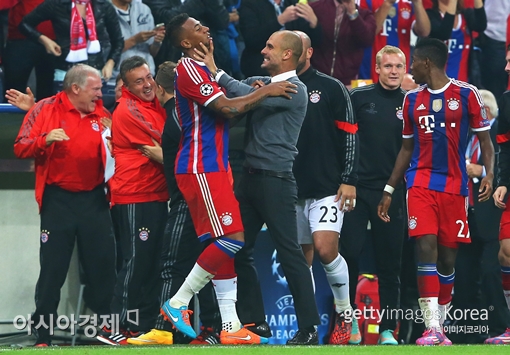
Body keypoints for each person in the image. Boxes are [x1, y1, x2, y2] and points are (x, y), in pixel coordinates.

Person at [160, 13, 298, 345]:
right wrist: (267, 92)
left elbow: (231, 99)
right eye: (197, 28)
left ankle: (230, 326)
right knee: (234, 237)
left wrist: (246, 89)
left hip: (213, 165)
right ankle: (177, 303)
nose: (205, 28)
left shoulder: (203, 68)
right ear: (185, 43)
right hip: (201, 165)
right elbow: (227, 109)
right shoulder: (188, 69)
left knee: (221, 244)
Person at [194, 28, 322, 345]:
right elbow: (242, 90)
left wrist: (225, 76)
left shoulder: (295, 89)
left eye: (269, 47)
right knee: (238, 249)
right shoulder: (266, 85)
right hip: (249, 179)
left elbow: (240, 99)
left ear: (287, 55)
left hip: (276, 181)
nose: (263, 51)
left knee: (290, 254)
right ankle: (255, 322)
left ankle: (308, 327)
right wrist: (223, 74)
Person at [378, 37, 495, 346]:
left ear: (426, 63)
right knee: (425, 246)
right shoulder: (411, 100)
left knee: (447, 260)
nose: (409, 67)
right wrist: (390, 188)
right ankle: (431, 327)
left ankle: (439, 323)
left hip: (455, 188)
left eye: (413, 61)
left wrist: (489, 174)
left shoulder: (467, 94)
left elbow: (486, 142)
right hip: (419, 184)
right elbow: (406, 149)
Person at [13, 64, 117, 347]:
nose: (100, 93)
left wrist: (115, 140)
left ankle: (108, 332)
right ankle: (42, 336)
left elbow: (116, 154)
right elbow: (20, 146)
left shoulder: (102, 115)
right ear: (76, 88)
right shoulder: (45, 109)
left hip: (95, 200)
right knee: (53, 270)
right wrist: (45, 140)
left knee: (103, 267)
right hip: (57, 200)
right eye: (95, 88)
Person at [127, 61, 223, 346]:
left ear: (158, 87)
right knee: (202, 265)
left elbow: (186, 156)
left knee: (171, 265)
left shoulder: (178, 116)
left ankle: (161, 330)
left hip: (187, 198)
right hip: (201, 195)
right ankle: (214, 329)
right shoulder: (193, 114)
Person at [95, 56, 169, 346]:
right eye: (139, 81)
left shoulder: (152, 105)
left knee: (151, 264)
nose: (148, 84)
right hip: (135, 195)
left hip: (154, 193)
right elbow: (167, 142)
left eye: (149, 76)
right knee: (136, 262)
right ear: (125, 85)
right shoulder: (128, 110)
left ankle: (142, 326)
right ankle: (112, 326)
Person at [291, 30, 358, 345]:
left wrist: (348, 179)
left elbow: (350, 135)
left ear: (308, 52)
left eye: (297, 48)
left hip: (327, 186)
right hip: (289, 189)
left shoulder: (332, 88)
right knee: (300, 261)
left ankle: (346, 317)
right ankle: (307, 329)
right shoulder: (278, 87)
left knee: (326, 249)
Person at [341, 45, 407, 345]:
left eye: (399, 66)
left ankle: (386, 329)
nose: (394, 71)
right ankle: (349, 323)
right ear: (377, 69)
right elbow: (343, 141)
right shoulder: (358, 98)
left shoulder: (411, 103)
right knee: (349, 255)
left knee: (389, 262)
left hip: (393, 192)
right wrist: (346, 180)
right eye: (388, 66)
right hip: (358, 189)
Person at [452, 89, 510, 344]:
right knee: (463, 274)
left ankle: (501, 326)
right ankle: (469, 332)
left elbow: (504, 166)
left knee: (490, 270)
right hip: (464, 213)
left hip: (492, 213)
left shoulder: (498, 137)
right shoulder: (465, 135)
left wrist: (482, 169)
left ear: (486, 112)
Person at [19, 0, 123, 81]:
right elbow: (24, 24)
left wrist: (110, 64)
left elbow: (118, 40)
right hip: (65, 71)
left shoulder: (104, 5)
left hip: (96, 70)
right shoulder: (57, 4)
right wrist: (45, 40)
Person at [488, 45, 510, 344]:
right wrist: (502, 180)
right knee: (505, 250)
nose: (506, 68)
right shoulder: (506, 100)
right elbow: (503, 148)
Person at [238, 0, 321, 77]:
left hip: (295, 70)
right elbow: (251, 39)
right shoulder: (250, 3)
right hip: (260, 69)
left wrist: (314, 23)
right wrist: (280, 20)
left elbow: (313, 41)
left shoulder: (293, 2)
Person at [358, 0, 430, 83]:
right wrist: (387, 3)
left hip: (398, 74)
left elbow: (424, 32)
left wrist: (417, 3)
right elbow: (367, 34)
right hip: (367, 73)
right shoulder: (365, 1)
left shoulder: (408, 3)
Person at [309, 0, 376, 87]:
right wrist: (315, 25)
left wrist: (353, 14)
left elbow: (367, 40)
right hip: (316, 79)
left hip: (347, 82)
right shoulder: (315, 8)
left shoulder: (365, 15)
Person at [3, 0, 55, 100]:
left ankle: (46, 115)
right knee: (14, 90)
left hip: (55, 40)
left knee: (49, 90)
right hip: (20, 39)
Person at [426, 0, 486, 83]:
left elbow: (481, 26)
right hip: (437, 83)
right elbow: (444, 34)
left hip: (463, 83)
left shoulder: (465, 15)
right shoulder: (430, 15)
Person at [110, 0, 165, 76]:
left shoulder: (144, 9)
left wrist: (157, 42)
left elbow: (152, 52)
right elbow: (105, 51)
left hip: (146, 74)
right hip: (117, 77)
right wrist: (134, 40)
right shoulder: (104, 10)